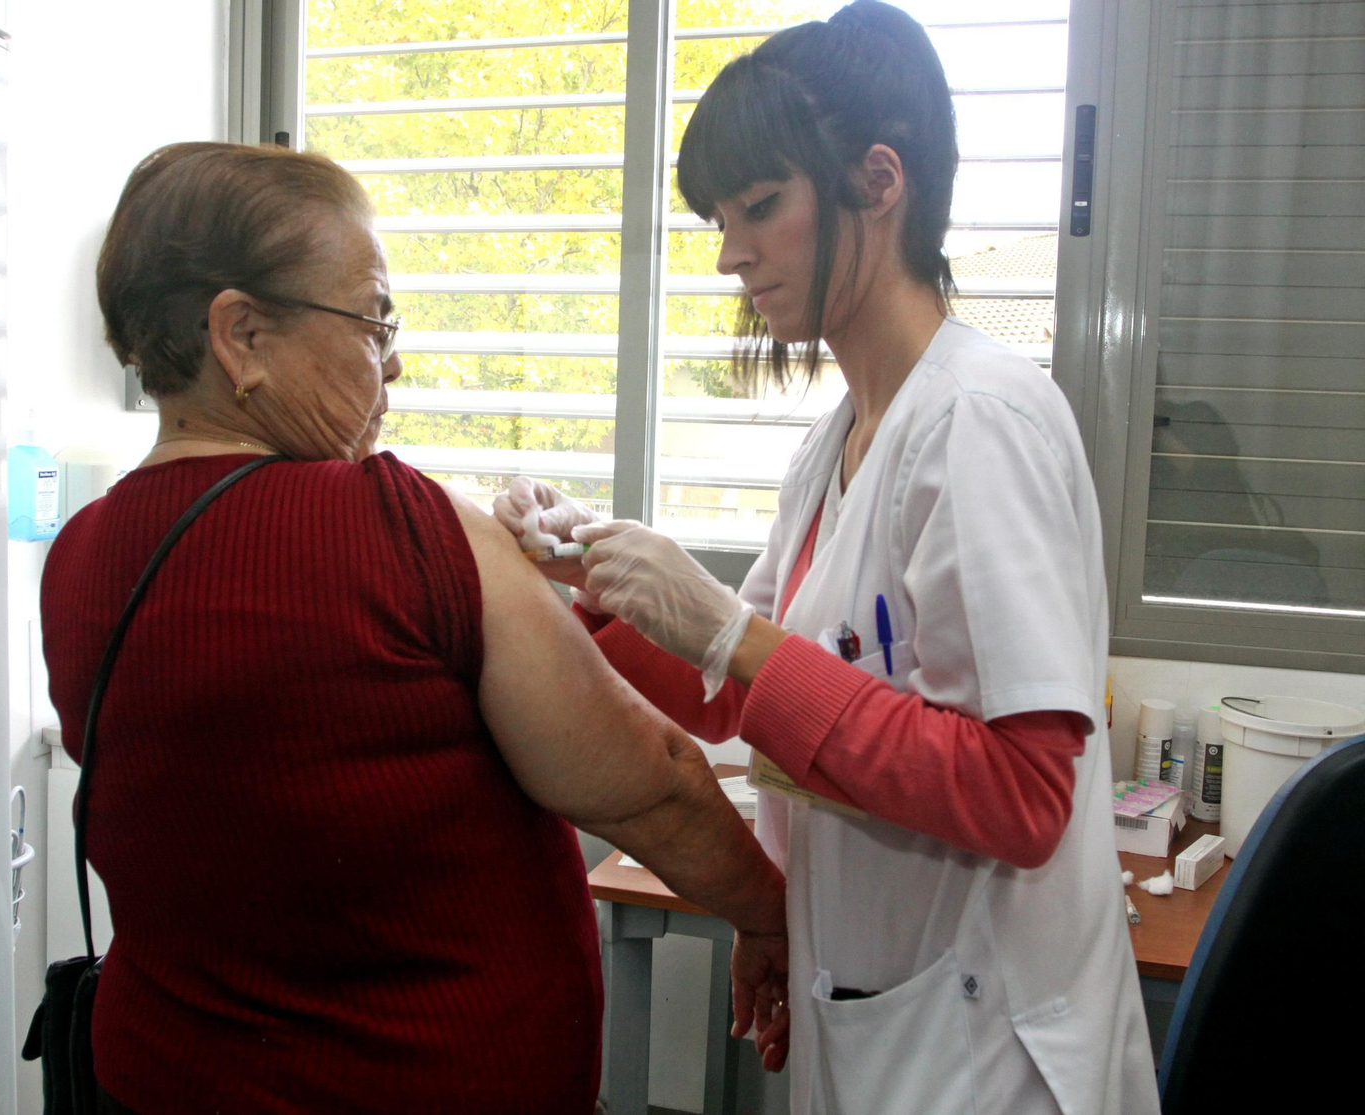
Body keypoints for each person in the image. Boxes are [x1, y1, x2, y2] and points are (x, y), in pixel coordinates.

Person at [494, 5, 1158, 1113]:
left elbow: (1024, 792)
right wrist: (592, 576)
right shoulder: (841, 439)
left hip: (991, 1056)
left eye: (760, 207)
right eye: (718, 217)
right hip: (880, 1011)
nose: (729, 254)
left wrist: (726, 627)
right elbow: (730, 699)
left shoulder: (978, 419)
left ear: (877, 180)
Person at [40, 141, 788, 1115]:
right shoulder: (404, 529)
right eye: (373, 317)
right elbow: (656, 785)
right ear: (241, 335)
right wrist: (771, 917)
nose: (394, 356)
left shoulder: (80, 553)